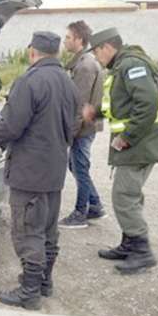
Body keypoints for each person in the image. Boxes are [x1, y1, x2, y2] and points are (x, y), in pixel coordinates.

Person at [0, 32, 80, 310]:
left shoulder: (30, 81)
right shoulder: (67, 81)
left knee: (28, 230)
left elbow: (10, 126)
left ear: (32, 52)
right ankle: (44, 283)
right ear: (55, 53)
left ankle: (29, 292)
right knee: (48, 228)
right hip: (54, 169)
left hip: (29, 171)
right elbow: (76, 124)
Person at [83, 28, 158, 274]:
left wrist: (127, 137)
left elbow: (147, 103)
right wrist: (96, 112)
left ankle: (142, 252)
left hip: (140, 142)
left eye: (97, 52)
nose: (97, 58)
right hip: (140, 142)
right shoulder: (122, 66)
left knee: (124, 195)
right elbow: (121, 103)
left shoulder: (131, 65)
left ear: (107, 48)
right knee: (129, 193)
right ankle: (129, 243)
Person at [58, 20, 107, 229]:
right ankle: (95, 205)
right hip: (85, 127)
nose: (65, 41)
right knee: (77, 166)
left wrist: (69, 135)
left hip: (82, 129)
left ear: (79, 39)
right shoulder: (84, 61)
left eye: (68, 37)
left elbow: (79, 105)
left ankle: (80, 213)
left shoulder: (85, 65)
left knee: (80, 167)